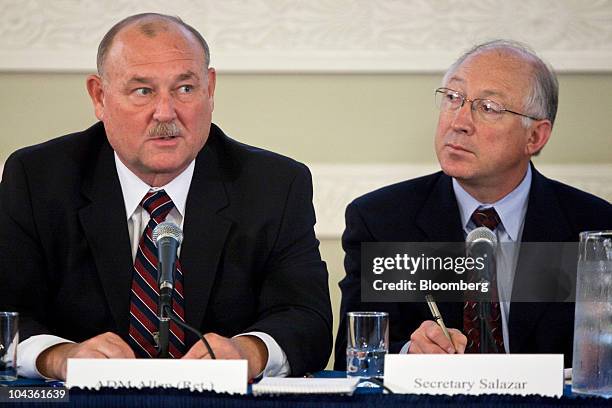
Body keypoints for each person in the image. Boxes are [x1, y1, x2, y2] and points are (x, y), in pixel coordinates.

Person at [0, 13, 332, 381]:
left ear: (210, 88)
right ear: (99, 96)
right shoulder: (39, 179)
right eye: (143, 91)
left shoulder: (274, 185)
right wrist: (58, 356)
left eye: (185, 89)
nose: (165, 112)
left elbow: (308, 320)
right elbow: (7, 310)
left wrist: (249, 352)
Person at [334, 40, 612, 369]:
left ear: (535, 137)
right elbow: (355, 358)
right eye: (453, 98)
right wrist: (412, 354)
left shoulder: (594, 228)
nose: (459, 122)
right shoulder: (382, 221)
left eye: (489, 107)